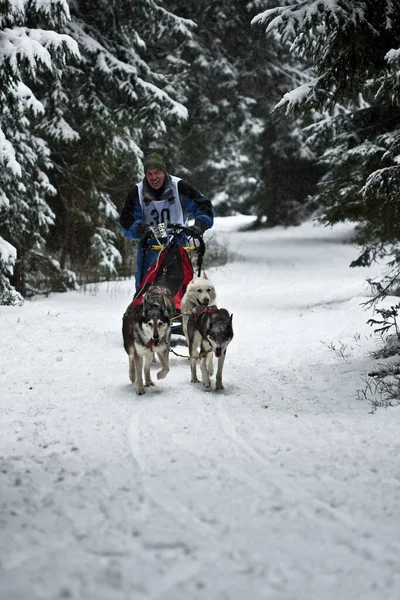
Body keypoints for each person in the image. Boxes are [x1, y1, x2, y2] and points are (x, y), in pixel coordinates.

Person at [119, 152, 214, 289]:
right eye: (149, 174)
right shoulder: (138, 192)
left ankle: (180, 307)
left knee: (180, 285)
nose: (154, 177)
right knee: (146, 287)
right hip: (150, 244)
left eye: (157, 172)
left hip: (177, 241)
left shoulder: (180, 187)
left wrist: (200, 225)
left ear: (164, 171)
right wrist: (140, 228)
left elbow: (204, 206)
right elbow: (126, 219)